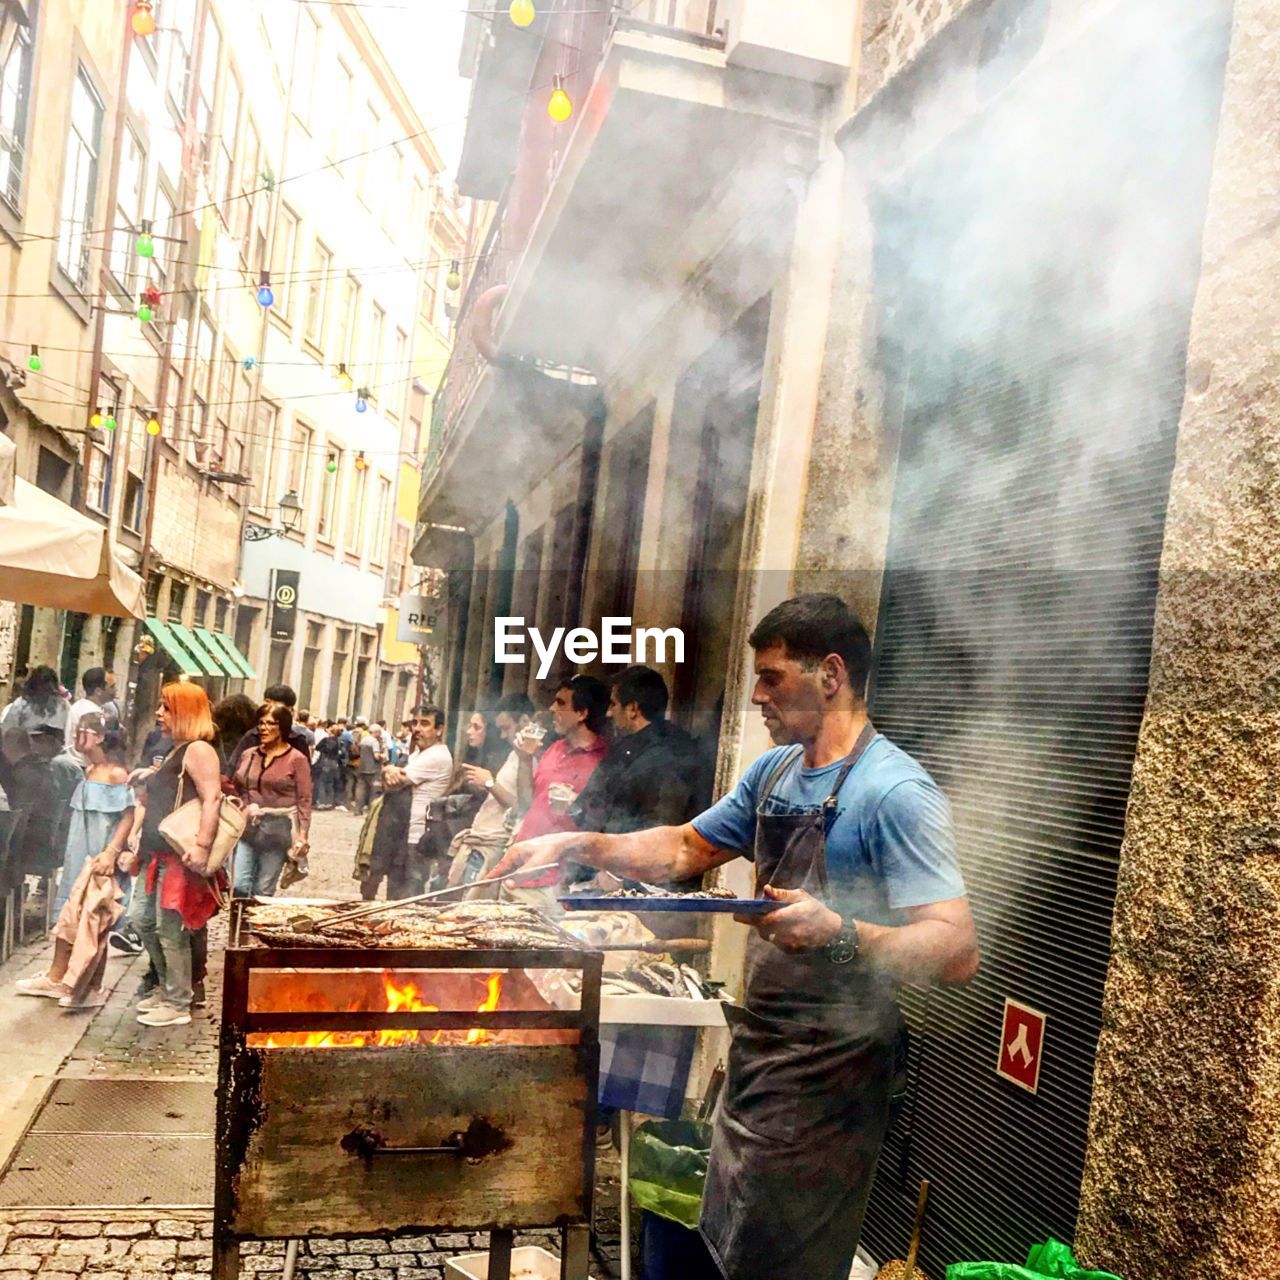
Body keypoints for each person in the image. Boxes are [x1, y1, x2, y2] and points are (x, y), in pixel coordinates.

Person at [495, 595, 980, 1280]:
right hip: (761, 1057)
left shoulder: (896, 790)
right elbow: (684, 848)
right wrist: (577, 842)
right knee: (726, 1251)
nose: (754, 694)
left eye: (773, 677)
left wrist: (840, 932)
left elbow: (957, 948)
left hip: (833, 1079)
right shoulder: (775, 772)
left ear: (831, 674)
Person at [18, 717, 135, 1009]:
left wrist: (111, 851)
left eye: (81, 731)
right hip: (80, 852)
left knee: (96, 918)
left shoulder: (115, 774)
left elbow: (128, 814)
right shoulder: (90, 770)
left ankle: (86, 984)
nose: (75, 736)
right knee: (73, 913)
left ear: (97, 737)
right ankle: (61, 976)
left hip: (98, 855)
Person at [126, 683, 225, 1028]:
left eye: (166, 707)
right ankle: (169, 988)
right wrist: (150, 775)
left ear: (184, 711)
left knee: (170, 929)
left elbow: (212, 797)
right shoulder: (176, 749)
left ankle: (178, 999)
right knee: (143, 920)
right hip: (158, 854)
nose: (159, 713)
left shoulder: (198, 749)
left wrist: (202, 844)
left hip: (177, 857)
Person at [573, 665, 706, 836]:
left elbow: (659, 828)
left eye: (613, 704)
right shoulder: (626, 747)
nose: (608, 713)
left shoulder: (670, 757)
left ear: (633, 709)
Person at [443, 694, 534, 894]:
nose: (503, 736)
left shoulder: (530, 760)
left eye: (506, 728)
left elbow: (522, 807)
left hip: (493, 847)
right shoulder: (513, 755)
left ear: (525, 721)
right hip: (480, 841)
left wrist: (489, 782)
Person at [363, 709, 451, 899]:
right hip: (403, 836)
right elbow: (389, 782)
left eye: (425, 723)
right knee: (394, 896)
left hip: (417, 841)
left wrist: (388, 770)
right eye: (415, 722)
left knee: (406, 901)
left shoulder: (437, 756)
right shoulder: (418, 754)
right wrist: (389, 769)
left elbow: (394, 782)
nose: (417, 728)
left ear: (439, 730)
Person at [232, 703, 313, 897]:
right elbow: (237, 786)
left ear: (282, 727)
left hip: (277, 830)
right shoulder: (249, 755)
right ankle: (239, 927)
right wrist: (244, 805)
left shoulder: (296, 759)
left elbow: (304, 798)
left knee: (263, 890)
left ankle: (253, 927)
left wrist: (302, 834)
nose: (264, 728)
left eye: (270, 723)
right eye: (261, 723)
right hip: (247, 826)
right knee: (239, 885)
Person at [226, 684, 312, 774]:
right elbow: (232, 770)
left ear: (290, 712)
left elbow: (305, 777)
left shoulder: (297, 741)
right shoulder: (252, 736)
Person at [64, 668, 116, 766]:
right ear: (98, 691)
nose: (114, 691)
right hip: (84, 768)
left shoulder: (78, 706)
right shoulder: (93, 714)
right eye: (112, 687)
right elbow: (93, 749)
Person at [1, 666, 68, 734]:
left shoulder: (63, 706)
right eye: (40, 685)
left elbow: (69, 733)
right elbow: (8, 733)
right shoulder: (21, 705)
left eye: (47, 687)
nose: (43, 690)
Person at [352, 722, 385, 815]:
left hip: (362, 767)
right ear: (377, 732)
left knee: (360, 788)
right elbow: (376, 756)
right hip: (373, 769)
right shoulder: (374, 742)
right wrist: (383, 756)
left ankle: (357, 809)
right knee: (374, 790)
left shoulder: (364, 740)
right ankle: (372, 810)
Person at [314, 723, 347, 809]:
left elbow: (317, 747)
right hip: (334, 763)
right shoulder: (340, 741)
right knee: (330, 783)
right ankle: (329, 802)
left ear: (331, 731)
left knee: (322, 782)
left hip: (325, 762)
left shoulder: (326, 740)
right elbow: (342, 753)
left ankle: (322, 802)